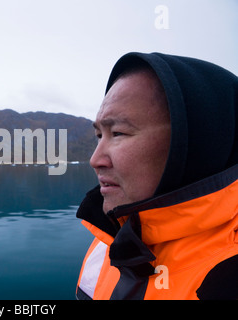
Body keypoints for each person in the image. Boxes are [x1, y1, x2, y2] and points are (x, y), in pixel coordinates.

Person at [75, 52, 238, 300]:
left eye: (117, 133)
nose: (95, 160)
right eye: (99, 135)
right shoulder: (107, 244)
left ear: (195, 145)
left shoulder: (226, 281)